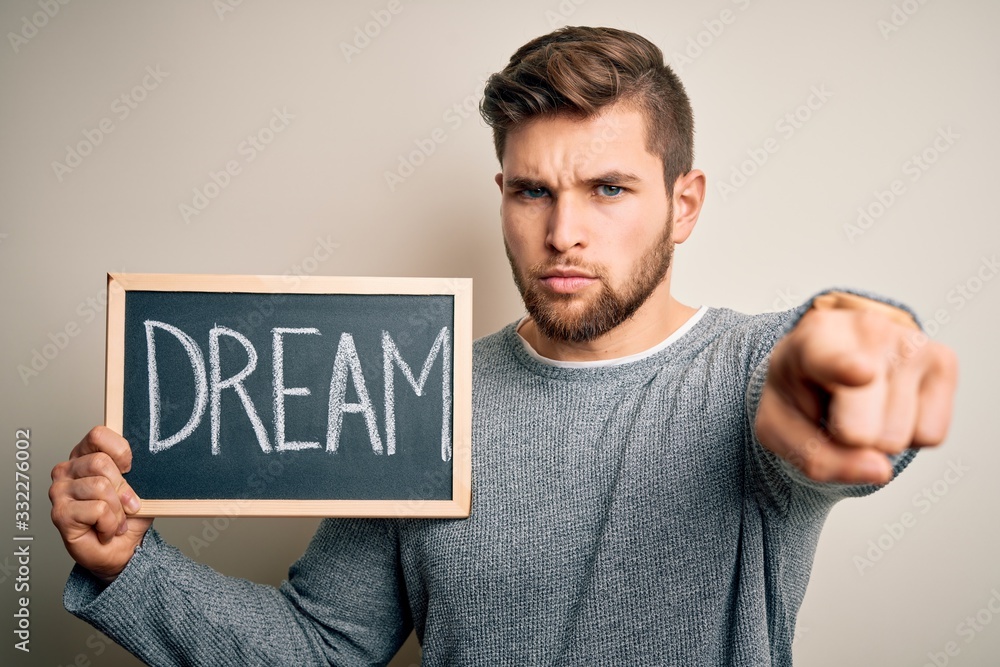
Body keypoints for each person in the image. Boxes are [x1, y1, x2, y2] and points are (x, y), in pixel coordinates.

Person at [50, 26, 957, 666]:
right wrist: (130, 567)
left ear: (684, 203)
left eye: (608, 188)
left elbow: (828, 385)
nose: (564, 231)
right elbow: (321, 647)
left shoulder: (749, 375)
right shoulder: (418, 395)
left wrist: (860, 360)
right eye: (531, 192)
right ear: (503, 195)